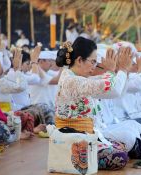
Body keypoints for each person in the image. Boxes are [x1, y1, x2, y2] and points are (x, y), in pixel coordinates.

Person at [55, 37, 132, 170]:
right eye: (93, 62)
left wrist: (118, 71)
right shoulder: (72, 81)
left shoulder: (74, 78)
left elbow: (107, 86)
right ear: (79, 60)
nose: (94, 67)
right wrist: (120, 70)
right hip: (74, 141)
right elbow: (111, 88)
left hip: (84, 136)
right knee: (120, 156)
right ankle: (77, 160)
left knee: (122, 146)